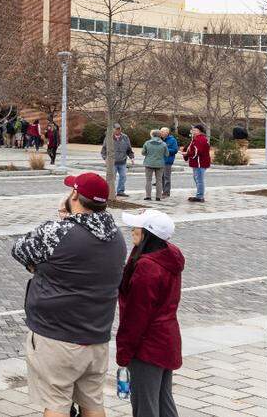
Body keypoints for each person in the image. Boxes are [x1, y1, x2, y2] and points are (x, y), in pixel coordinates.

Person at [11, 173, 126, 417]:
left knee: (56, 402)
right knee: (93, 403)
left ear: (74, 195)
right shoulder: (117, 236)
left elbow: (19, 250)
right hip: (96, 335)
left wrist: (62, 222)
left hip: (57, 336)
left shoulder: (57, 231)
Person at [117, 209, 183, 417]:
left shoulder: (148, 267)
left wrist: (124, 352)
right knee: (163, 400)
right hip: (166, 338)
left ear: (148, 234)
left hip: (148, 345)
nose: (132, 230)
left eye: (137, 227)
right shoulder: (167, 255)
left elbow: (136, 316)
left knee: (145, 405)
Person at [101, 123, 134, 197]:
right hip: (112, 162)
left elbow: (129, 149)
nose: (118, 130)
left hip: (122, 161)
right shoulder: (109, 137)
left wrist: (131, 157)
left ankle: (120, 191)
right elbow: (103, 150)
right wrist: (105, 158)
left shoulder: (125, 137)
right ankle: (109, 192)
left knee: (123, 176)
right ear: (113, 129)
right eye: (116, 129)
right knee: (111, 178)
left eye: (119, 129)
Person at [184, 124, 210, 202]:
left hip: (199, 163)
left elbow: (197, 151)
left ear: (199, 131)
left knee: (199, 180)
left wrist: (187, 154)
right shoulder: (197, 138)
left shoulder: (200, 139)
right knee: (197, 179)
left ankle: (200, 196)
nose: (193, 131)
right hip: (198, 162)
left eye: (194, 130)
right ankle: (199, 195)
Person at [141, 130, 168, 202]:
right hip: (160, 164)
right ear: (160, 136)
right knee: (159, 181)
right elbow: (167, 154)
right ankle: (158, 197)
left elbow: (143, 153)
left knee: (148, 180)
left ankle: (148, 196)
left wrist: (149, 155)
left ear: (152, 135)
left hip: (149, 163)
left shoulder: (147, 143)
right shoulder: (164, 144)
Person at [159, 128, 178, 199]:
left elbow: (175, 150)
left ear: (167, 133)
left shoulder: (172, 140)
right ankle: (163, 191)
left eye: (162, 132)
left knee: (167, 177)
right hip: (159, 161)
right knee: (161, 177)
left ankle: (166, 192)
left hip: (167, 161)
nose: (161, 133)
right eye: (160, 131)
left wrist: (165, 149)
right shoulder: (159, 139)